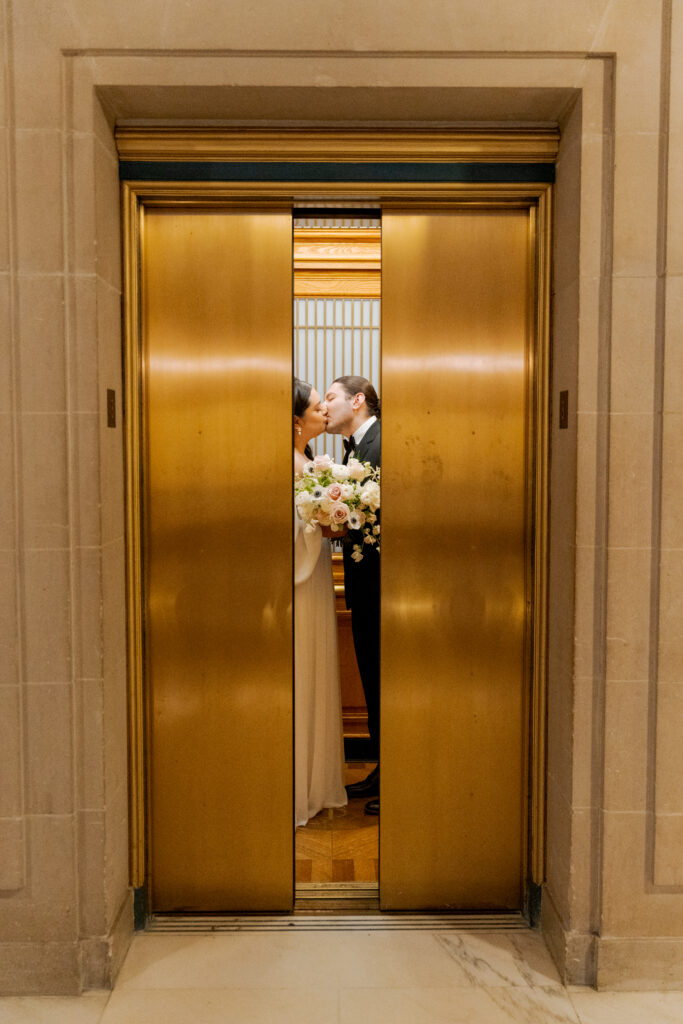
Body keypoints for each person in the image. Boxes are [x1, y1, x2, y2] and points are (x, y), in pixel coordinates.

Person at [323, 376, 381, 816]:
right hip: (363, 590)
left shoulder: (382, 444)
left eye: (331, 397)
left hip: (383, 592)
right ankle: (385, 770)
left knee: (384, 680)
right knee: (373, 679)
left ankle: (394, 777)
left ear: (357, 401)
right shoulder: (353, 450)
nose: (324, 407)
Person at [293, 378, 347, 827]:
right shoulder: (290, 465)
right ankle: (297, 783)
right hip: (299, 586)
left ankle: (315, 779)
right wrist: (321, 521)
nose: (324, 413)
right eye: (316, 408)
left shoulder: (308, 461)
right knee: (300, 672)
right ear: (296, 422)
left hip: (315, 582)